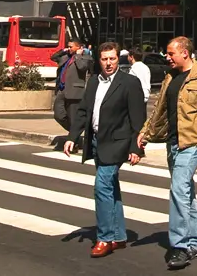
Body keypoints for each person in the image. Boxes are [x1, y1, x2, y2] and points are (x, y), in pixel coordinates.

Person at [138, 36, 197, 271]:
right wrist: (145, 133)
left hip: (195, 142)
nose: (167, 57)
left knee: (179, 189)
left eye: (170, 53)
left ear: (185, 53)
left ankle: (180, 246)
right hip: (174, 143)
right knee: (186, 194)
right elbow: (160, 111)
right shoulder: (171, 77)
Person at [65, 42, 146, 259]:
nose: (108, 63)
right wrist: (73, 137)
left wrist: (136, 148)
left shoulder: (129, 83)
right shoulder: (93, 82)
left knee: (101, 187)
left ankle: (104, 237)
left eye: (112, 58)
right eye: (104, 59)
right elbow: (83, 111)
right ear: (98, 60)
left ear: (118, 58)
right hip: (97, 142)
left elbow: (138, 118)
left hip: (117, 144)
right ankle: (119, 236)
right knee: (111, 188)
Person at [51, 39, 92, 132]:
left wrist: (78, 55)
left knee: (73, 117)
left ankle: (74, 138)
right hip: (62, 89)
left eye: (71, 47)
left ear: (79, 47)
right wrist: (63, 51)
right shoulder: (66, 56)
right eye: (68, 46)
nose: (69, 48)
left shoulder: (85, 57)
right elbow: (53, 57)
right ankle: (74, 132)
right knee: (58, 115)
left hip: (74, 91)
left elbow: (82, 67)